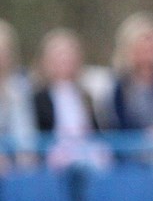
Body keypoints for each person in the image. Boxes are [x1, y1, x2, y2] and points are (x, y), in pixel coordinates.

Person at [31, 28, 112, 174]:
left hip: (88, 155)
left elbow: (95, 131)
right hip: (54, 157)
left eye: (68, 56)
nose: (65, 61)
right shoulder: (39, 97)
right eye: (59, 56)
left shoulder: (85, 95)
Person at [0, 19, 38, 173]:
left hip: (13, 166)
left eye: (4, 51)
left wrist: (25, 155)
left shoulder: (19, 88)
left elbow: (24, 131)